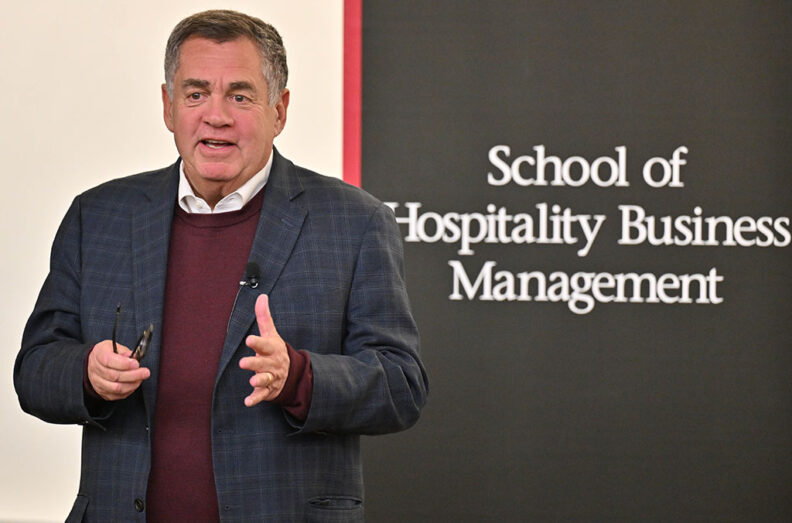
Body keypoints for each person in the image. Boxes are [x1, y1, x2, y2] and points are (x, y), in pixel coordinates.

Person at [14, 9, 427, 522]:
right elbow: (34, 369)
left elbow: (401, 385)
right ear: (168, 107)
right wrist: (86, 373)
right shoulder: (97, 217)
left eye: (240, 95)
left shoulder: (355, 222)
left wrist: (298, 376)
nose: (216, 115)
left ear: (280, 109)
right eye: (195, 94)